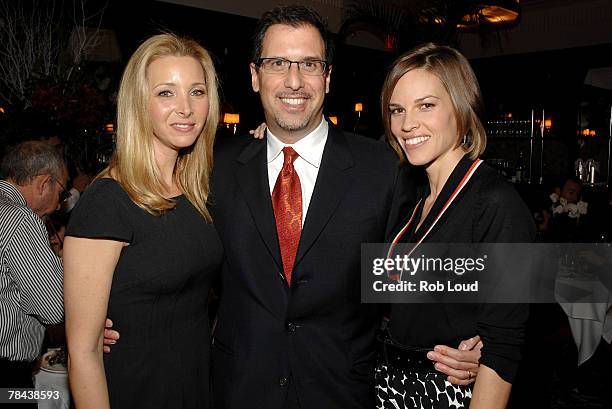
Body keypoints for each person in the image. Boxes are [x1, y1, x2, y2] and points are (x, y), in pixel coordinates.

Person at [209, 6, 481, 408]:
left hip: (344, 391)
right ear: (254, 75)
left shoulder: (385, 168)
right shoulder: (216, 167)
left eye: (310, 64)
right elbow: (180, 256)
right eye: (278, 63)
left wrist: (479, 337)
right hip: (239, 389)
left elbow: (418, 271)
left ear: (328, 77)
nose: (294, 80)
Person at [63, 33, 222, 409]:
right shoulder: (107, 201)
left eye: (196, 92)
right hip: (135, 389)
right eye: (166, 93)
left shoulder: (195, 190)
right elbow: (82, 355)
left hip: (194, 386)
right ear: (139, 103)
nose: (185, 108)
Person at [375, 43, 535, 408]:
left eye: (426, 105)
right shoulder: (412, 196)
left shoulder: (495, 203)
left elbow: (503, 349)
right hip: (391, 387)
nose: (406, 124)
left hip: (444, 395)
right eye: (397, 110)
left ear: (461, 109)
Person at [0, 141, 66, 406]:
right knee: (50, 398)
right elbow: (52, 307)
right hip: (6, 376)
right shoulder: (20, 219)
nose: (60, 205)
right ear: (43, 183)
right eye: (61, 192)